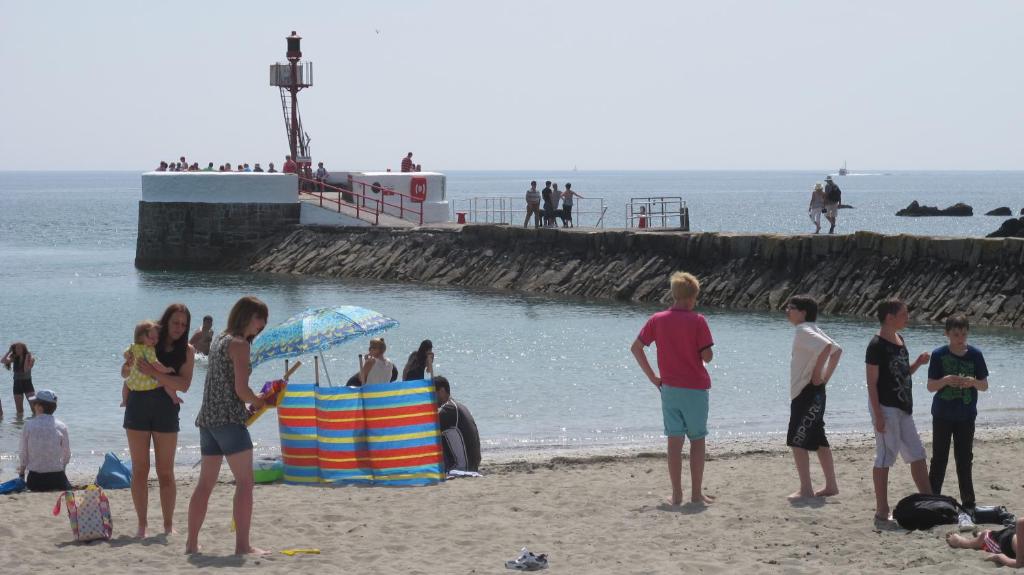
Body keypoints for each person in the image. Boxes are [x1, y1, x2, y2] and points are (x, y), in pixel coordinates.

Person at [186, 296, 268, 556]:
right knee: (245, 483)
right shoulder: (239, 345)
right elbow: (241, 390)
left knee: (205, 484)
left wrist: (250, 402)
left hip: (208, 419)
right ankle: (242, 546)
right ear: (245, 315)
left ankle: (191, 544)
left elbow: (225, 386)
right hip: (229, 421)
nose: (262, 324)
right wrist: (261, 401)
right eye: (259, 318)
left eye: (264, 321)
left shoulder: (221, 338)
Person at [630, 271, 716, 506]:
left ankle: (677, 494)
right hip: (696, 389)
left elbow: (636, 348)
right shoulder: (698, 320)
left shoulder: (657, 319)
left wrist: (652, 377)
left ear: (674, 294)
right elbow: (707, 357)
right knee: (697, 440)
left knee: (674, 441)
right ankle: (696, 494)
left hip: (669, 389)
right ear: (691, 298)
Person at [123, 303, 196, 537]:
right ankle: (142, 525)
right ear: (166, 321)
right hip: (137, 407)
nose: (179, 328)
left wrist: (154, 373)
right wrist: (127, 364)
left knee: (166, 471)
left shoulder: (188, 351)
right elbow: (127, 374)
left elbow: (183, 385)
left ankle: (167, 525)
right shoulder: (147, 340)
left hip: (166, 411)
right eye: (175, 322)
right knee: (140, 470)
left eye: (183, 324)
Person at [866, 298, 932, 525]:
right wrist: (878, 414)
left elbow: (902, 374)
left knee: (917, 453)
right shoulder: (876, 345)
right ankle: (882, 509)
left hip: (904, 407)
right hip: (885, 407)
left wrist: (918, 363)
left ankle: (931, 502)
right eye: (904, 314)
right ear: (890, 317)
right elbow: (872, 383)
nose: (908, 318)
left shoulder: (900, 339)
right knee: (886, 456)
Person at [927, 313, 988, 512]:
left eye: (963, 334)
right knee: (939, 458)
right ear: (947, 334)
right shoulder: (938, 354)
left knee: (964, 458)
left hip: (966, 415)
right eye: (955, 334)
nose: (960, 338)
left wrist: (973, 382)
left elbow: (984, 386)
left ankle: (968, 503)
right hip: (942, 414)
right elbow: (930, 387)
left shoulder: (975, 355)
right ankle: (931, 498)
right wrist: (945, 380)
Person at [784, 295, 842, 500]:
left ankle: (806, 489)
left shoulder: (803, 330)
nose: (787, 311)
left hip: (806, 392)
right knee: (818, 438)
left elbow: (828, 348)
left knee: (796, 440)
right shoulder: (811, 328)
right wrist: (824, 378)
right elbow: (836, 351)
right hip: (815, 391)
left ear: (803, 312)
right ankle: (831, 485)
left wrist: (819, 375)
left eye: (790, 307)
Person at [17, 389, 71, 492]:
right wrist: (62, 470)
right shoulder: (62, 426)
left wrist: (22, 474)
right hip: (57, 479)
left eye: (34, 403)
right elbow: (67, 454)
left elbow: (23, 453)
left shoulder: (29, 425)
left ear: (40, 407)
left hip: (35, 480)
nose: (33, 406)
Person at [121, 320, 179, 408]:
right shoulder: (149, 350)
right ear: (140, 338)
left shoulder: (133, 346)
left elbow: (125, 353)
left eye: (156, 338)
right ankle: (174, 398)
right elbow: (156, 364)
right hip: (145, 383)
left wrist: (128, 357)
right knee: (166, 382)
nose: (155, 340)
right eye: (152, 338)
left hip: (133, 383)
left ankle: (124, 401)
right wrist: (167, 369)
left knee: (125, 383)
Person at [434, 375, 481, 473]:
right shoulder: (458, 406)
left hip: (462, 467)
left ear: (442, 391)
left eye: (432, 394)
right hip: (473, 464)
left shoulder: (449, 410)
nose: (431, 399)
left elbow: (428, 431)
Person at [947, 516, 1024, 567]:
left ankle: (979, 534)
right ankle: (959, 541)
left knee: (991, 535)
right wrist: (998, 557)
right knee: (985, 536)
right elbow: (1019, 564)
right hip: (1004, 542)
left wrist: (999, 557)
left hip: (1011, 536)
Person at [3, 342, 36, 417]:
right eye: (15, 348)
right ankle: (19, 426)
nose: (17, 350)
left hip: (28, 384)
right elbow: (3, 361)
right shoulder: (14, 357)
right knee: (19, 410)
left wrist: (26, 357)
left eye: (19, 348)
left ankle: (35, 424)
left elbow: (25, 369)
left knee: (34, 408)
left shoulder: (31, 358)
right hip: (17, 384)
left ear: (24, 349)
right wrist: (9, 352)